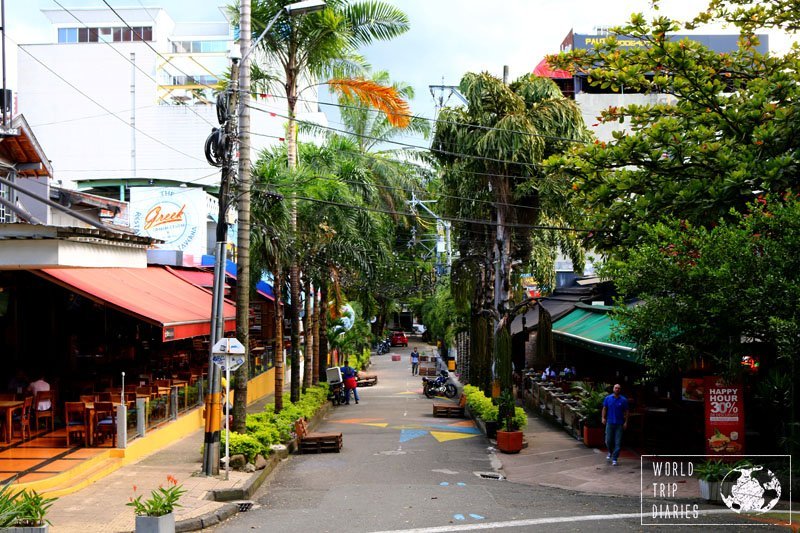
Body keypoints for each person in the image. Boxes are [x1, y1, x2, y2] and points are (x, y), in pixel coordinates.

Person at [601, 383, 629, 466]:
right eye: (616, 388)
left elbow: (627, 411)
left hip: (619, 424)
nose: (617, 389)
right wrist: (603, 418)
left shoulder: (623, 400)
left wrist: (626, 422)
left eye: (619, 388)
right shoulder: (608, 398)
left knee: (618, 442)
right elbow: (604, 408)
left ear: (620, 390)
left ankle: (614, 459)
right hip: (609, 423)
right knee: (608, 441)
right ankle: (610, 452)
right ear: (613, 389)